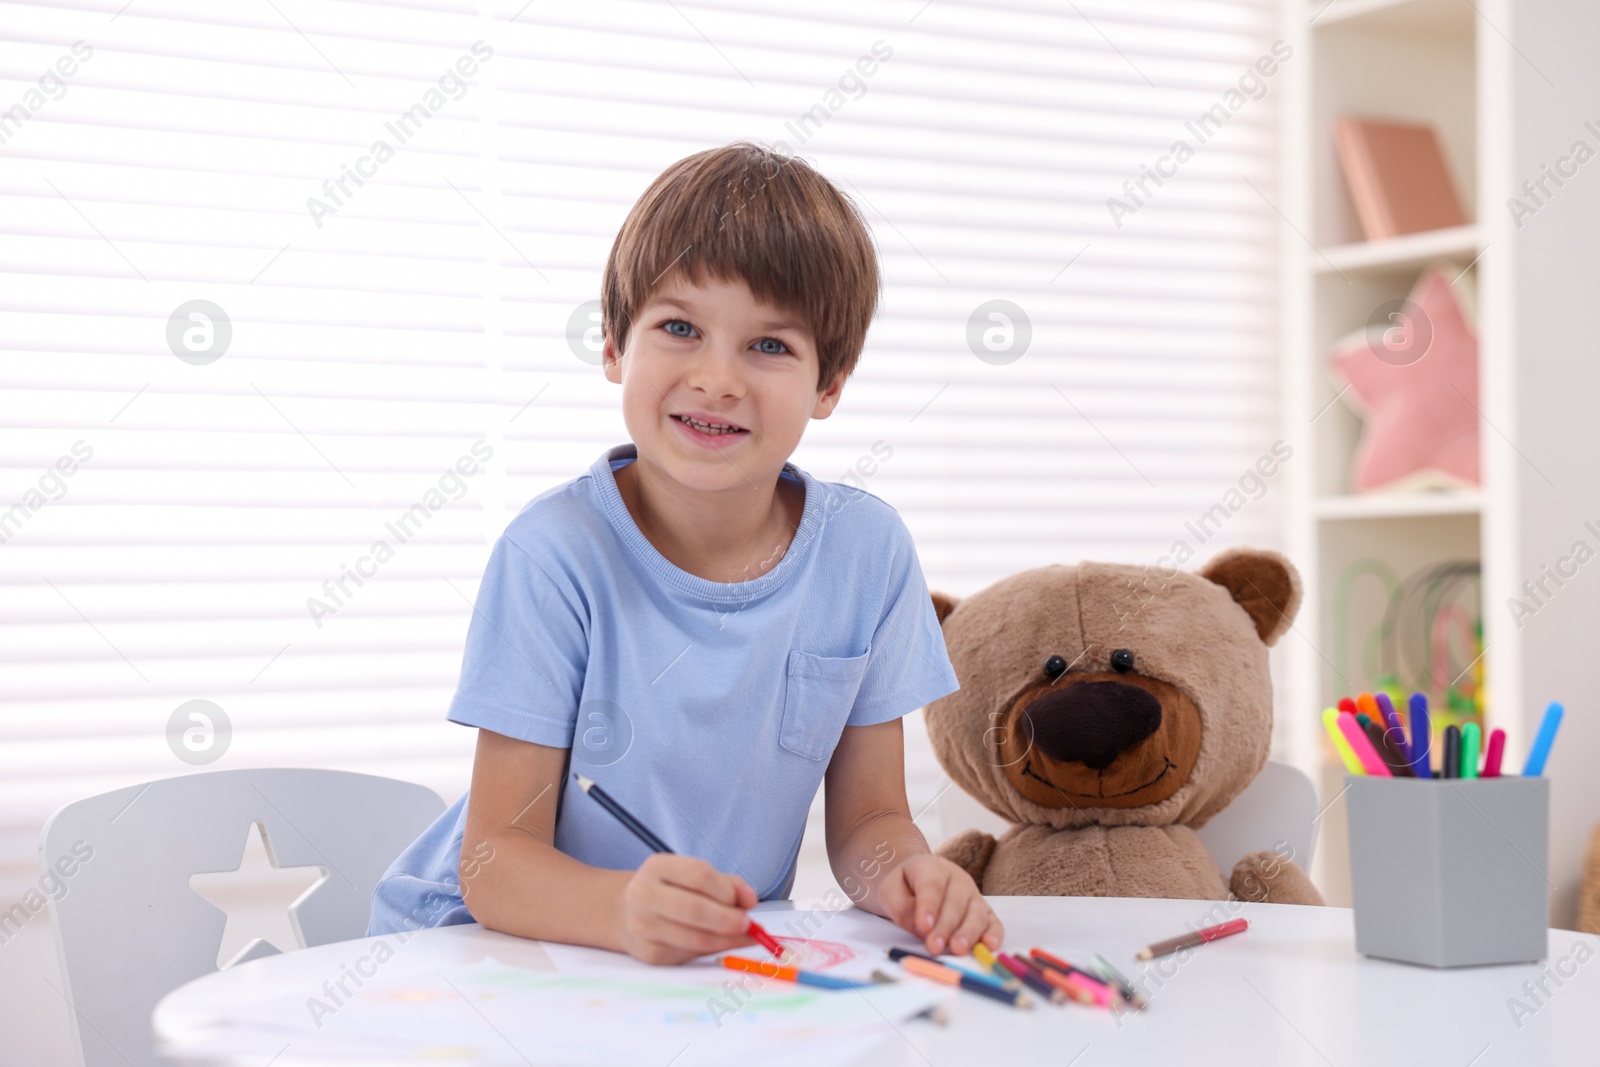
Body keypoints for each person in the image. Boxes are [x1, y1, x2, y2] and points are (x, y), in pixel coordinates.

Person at [369, 141, 1003, 964]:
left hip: (689, 968)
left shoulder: (865, 550)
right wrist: (620, 908)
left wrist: (908, 874)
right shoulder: (553, 555)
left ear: (830, 384)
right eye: (678, 328)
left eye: (769, 345)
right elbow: (495, 863)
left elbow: (868, 823)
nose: (717, 378)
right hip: (475, 948)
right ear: (612, 347)